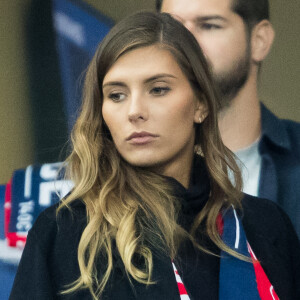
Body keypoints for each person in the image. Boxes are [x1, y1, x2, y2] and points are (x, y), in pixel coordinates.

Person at [10, 12, 300, 300]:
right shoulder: (64, 233)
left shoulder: (264, 226)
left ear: (200, 104)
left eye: (158, 89)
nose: (135, 111)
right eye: (116, 95)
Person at [157, 0, 300, 238]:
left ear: (259, 40)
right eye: (173, 27)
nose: (186, 44)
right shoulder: (109, 170)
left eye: (210, 25)